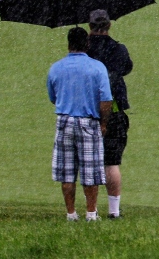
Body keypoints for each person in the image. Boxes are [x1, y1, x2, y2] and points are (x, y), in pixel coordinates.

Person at [47, 27, 112, 221]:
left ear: (68, 44)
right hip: (88, 121)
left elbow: (53, 97)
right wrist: (103, 123)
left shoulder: (56, 68)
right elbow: (106, 100)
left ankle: (71, 213)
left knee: (67, 173)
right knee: (90, 171)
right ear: (87, 43)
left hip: (64, 121)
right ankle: (91, 213)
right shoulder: (97, 67)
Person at [86, 9, 132, 219]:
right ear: (109, 25)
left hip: (86, 111)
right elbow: (126, 68)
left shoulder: (82, 50)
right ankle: (113, 211)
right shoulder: (118, 49)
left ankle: (90, 211)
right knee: (111, 162)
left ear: (90, 26)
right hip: (114, 111)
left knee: (88, 161)